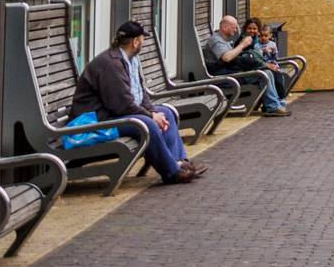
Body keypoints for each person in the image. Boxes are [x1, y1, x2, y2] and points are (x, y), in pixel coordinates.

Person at [70, 21, 204, 185]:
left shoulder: (130, 60)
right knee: (146, 123)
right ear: (135, 42)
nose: (144, 42)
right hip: (96, 122)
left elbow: (141, 93)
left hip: (114, 114)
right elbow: (121, 105)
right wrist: (150, 116)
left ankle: (182, 163)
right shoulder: (111, 64)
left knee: (166, 112)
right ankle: (172, 173)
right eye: (142, 38)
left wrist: (153, 111)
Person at [204, 15, 290, 116]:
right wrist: (243, 45)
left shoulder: (224, 40)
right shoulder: (216, 40)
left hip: (231, 73)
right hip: (223, 78)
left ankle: (273, 106)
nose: (236, 30)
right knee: (264, 75)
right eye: (234, 27)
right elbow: (226, 58)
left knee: (266, 72)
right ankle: (272, 107)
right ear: (225, 27)